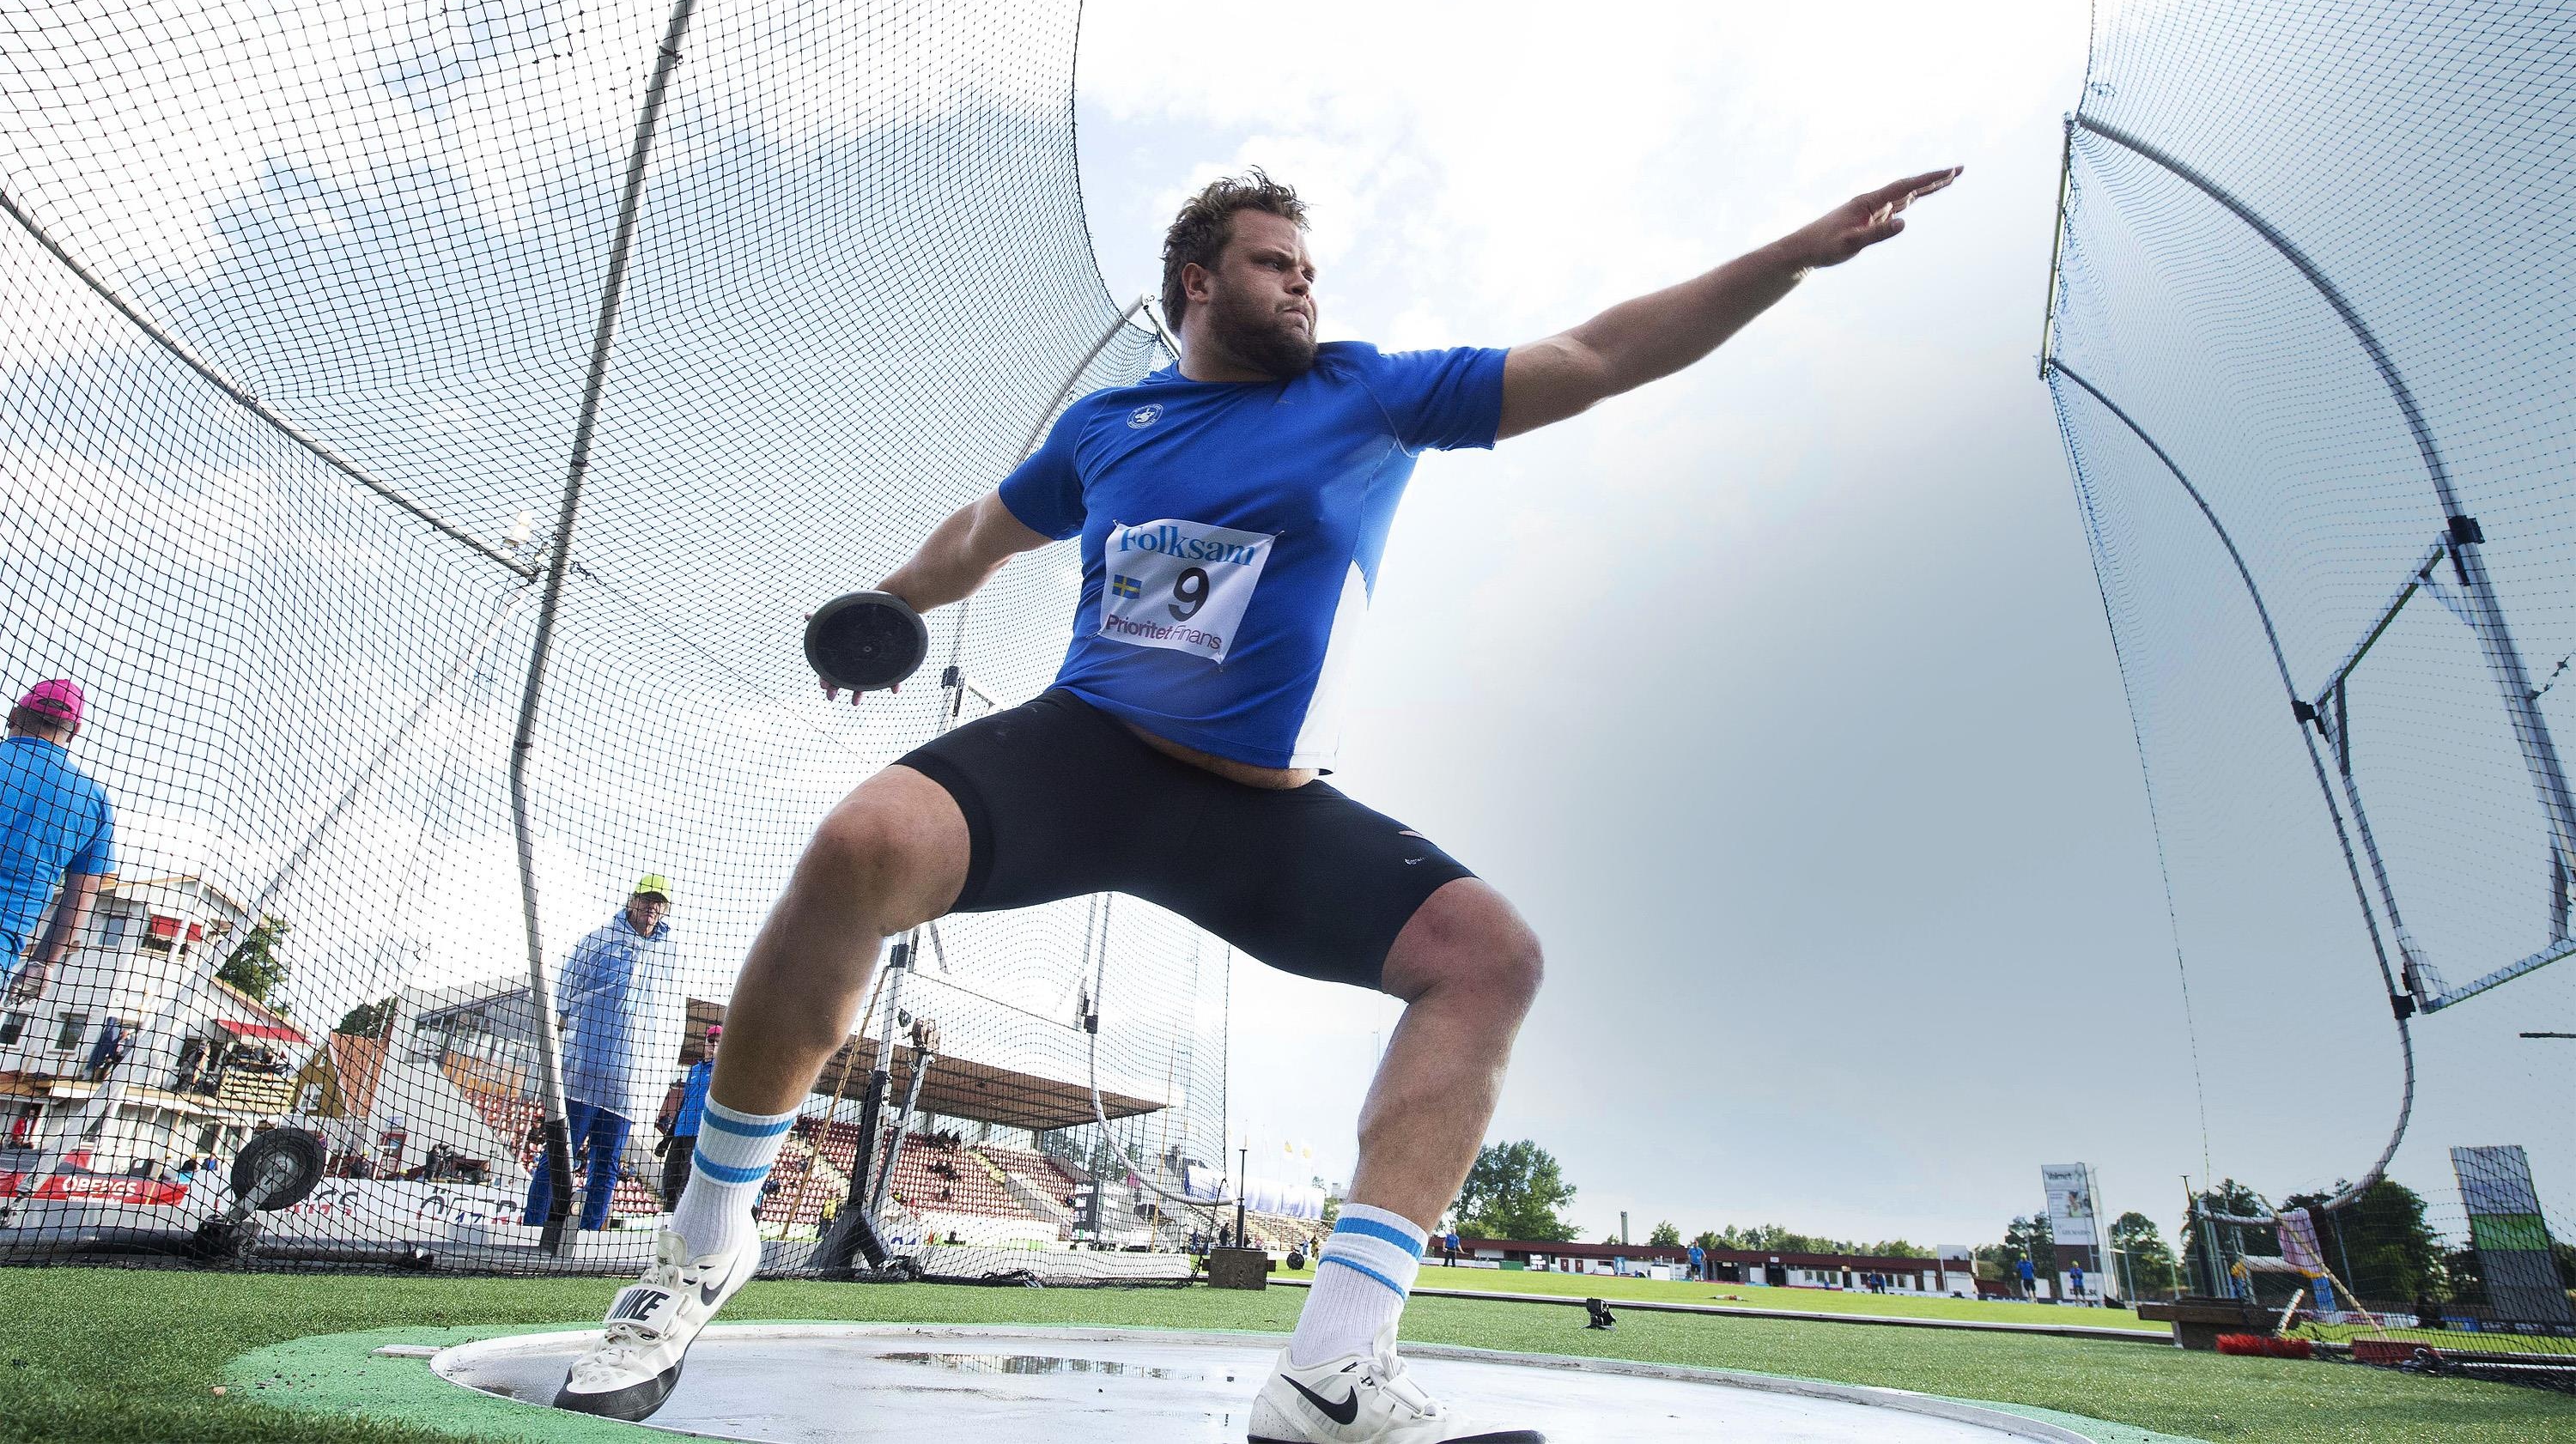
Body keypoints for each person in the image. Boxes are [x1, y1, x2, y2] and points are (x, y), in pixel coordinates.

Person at [557, 165, 1958, 1434]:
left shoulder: (1370, 390)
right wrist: (889, 603)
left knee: (1490, 958)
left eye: (1308, 266)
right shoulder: (1110, 425)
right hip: (1085, 750)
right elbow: (984, 534)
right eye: (1277, 260)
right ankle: (701, 1247)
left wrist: (1790, 255)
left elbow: (1591, 357)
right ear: (1199, 281)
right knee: (864, 839)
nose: (1304, 281)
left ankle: (1334, 1371)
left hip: (1253, 812)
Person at [525, 874, 680, 1233]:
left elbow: (669, 1011)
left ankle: (591, 1235)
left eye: (659, 902)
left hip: (627, 1081)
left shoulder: (668, 953)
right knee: (560, 1154)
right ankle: (533, 1229)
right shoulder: (599, 942)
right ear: (632, 900)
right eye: (646, 899)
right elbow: (560, 996)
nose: (652, 908)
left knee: (607, 1164)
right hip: (584, 1070)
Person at [1, 680, 113, 1004]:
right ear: (74, 732)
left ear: (14, 714)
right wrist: (42, 962)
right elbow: (83, 892)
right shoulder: (92, 800)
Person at [654, 1022, 720, 1211]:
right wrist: (665, 1141)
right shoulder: (694, 1070)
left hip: (699, 1136)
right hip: (680, 1132)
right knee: (670, 1179)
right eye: (710, 1041)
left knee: (686, 1181)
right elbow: (683, 1105)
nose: (713, 1045)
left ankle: (680, 1223)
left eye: (718, 1042)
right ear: (705, 1043)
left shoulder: (720, 1072)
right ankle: (667, 1219)